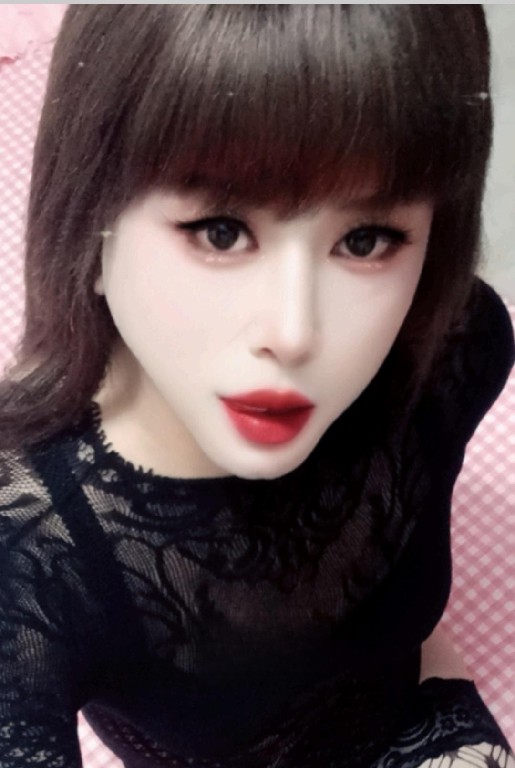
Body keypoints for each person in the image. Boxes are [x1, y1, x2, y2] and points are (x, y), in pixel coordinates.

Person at [0, 5, 513, 767]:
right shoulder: (30, 547)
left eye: (365, 239)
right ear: (89, 224)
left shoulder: (451, 352)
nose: (295, 333)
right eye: (221, 231)